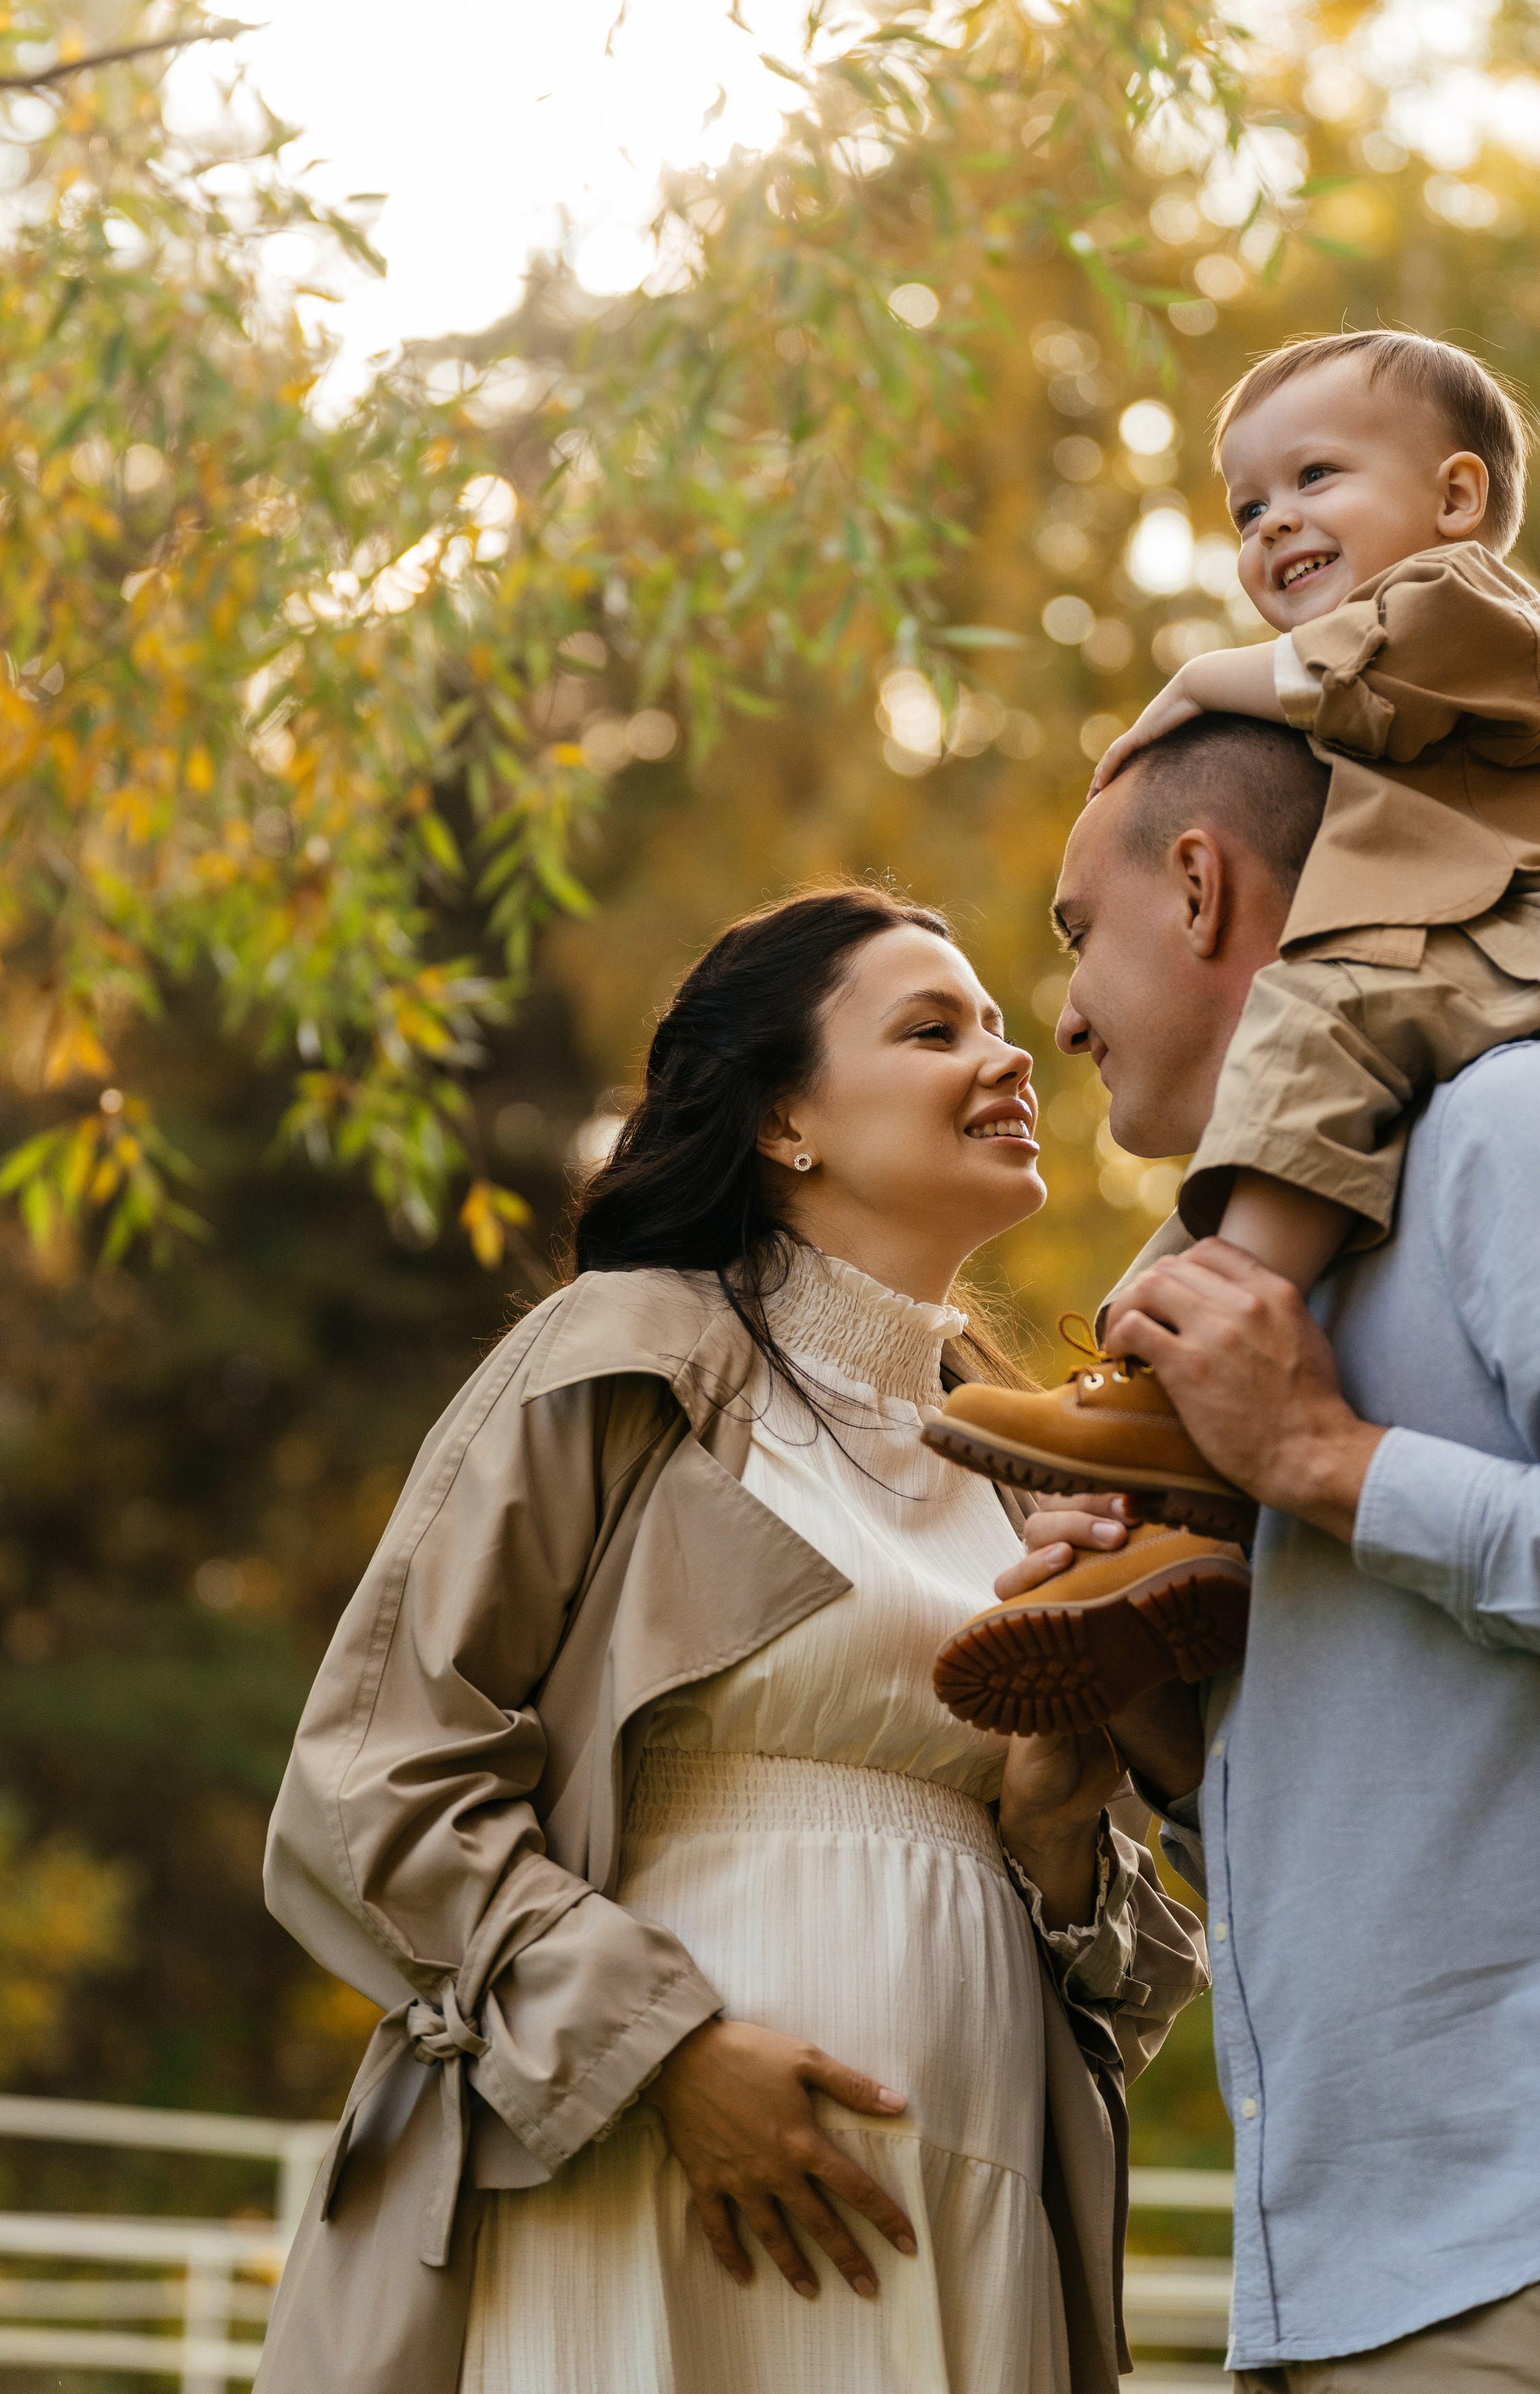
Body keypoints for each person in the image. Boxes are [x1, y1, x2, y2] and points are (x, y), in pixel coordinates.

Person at [252, 885, 1213, 2394]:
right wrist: (665, 2055)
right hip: (645, 2171)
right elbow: (369, 1781)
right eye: (930, 1027)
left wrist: (1052, 1832)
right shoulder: (619, 1358)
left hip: (964, 2179)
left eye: (1002, 1022)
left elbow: (1122, 1978)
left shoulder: (1031, 1465)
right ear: (782, 1123)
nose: (1008, 1055)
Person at [997, 718, 1540, 2387]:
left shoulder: (1525, 1123)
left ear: (1196, 889)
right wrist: (1149, 1702)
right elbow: (1400, 1783)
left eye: (1069, 937)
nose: (1058, 1012)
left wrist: (1328, 1464)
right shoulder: (1266, 1298)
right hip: (1342, 2272)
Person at [925, 329, 1540, 1514]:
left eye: (1315, 479)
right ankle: (1156, 1432)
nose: (1273, 526)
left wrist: (1199, 680)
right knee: (1282, 1122)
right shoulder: (1398, 717)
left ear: (1459, 496)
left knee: (1323, 1010)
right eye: (1248, 508)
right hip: (1524, 930)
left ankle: (1192, 1358)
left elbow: (1355, 669)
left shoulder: (1468, 605)